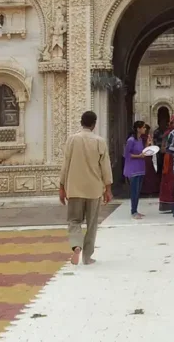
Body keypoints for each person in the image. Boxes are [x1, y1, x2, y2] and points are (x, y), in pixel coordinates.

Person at [58, 110, 112, 266]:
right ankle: (87, 257)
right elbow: (105, 167)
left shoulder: (72, 140)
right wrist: (108, 189)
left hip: (74, 188)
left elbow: (65, 165)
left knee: (74, 220)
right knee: (92, 223)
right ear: (94, 124)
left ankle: (76, 246)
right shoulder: (99, 141)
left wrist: (62, 187)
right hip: (94, 189)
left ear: (81, 122)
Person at [123, 120, 148, 220]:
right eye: (143, 127)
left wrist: (148, 145)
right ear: (138, 128)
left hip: (140, 167)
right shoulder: (131, 140)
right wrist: (138, 156)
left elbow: (143, 152)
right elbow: (127, 154)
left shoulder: (140, 140)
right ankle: (133, 211)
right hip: (133, 169)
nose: (145, 129)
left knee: (138, 191)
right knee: (134, 191)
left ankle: (136, 210)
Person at [158, 115, 174, 213]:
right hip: (169, 160)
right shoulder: (167, 134)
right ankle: (170, 204)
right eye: (172, 123)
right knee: (169, 182)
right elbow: (162, 149)